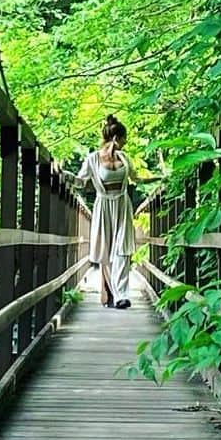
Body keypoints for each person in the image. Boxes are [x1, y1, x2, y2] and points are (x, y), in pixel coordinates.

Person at [65, 114, 147, 309]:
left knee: (122, 250)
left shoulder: (124, 158)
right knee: (106, 252)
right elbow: (81, 182)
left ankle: (122, 296)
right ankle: (116, 292)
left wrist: (160, 179)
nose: (126, 142)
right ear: (117, 138)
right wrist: (65, 175)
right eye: (125, 138)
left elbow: (136, 179)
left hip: (122, 204)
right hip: (103, 206)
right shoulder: (93, 159)